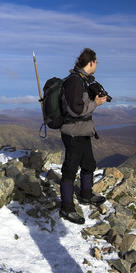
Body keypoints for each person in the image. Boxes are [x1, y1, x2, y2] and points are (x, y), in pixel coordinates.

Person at [59, 48, 108, 225]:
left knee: (89, 164)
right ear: (92, 62)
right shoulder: (74, 81)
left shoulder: (82, 80)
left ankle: (86, 194)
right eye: (97, 62)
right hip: (73, 132)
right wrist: (95, 103)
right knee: (70, 169)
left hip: (83, 131)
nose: (97, 65)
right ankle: (66, 207)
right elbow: (76, 109)